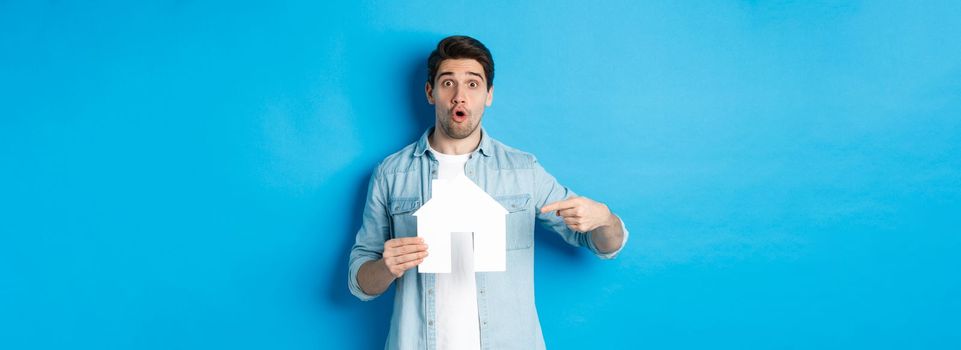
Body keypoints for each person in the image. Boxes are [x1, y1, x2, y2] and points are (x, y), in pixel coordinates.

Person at [348, 35, 628, 350]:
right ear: (430, 93)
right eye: (447, 83)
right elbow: (360, 282)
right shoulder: (391, 174)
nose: (459, 97)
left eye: (472, 84)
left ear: (489, 94)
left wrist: (605, 219)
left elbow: (602, 244)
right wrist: (386, 267)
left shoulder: (523, 170)